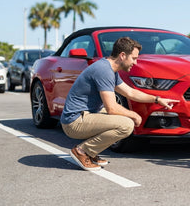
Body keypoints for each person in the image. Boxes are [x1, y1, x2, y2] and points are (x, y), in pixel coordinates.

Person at [61, 37, 179, 171]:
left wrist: (157, 99)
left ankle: (90, 153)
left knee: (122, 119)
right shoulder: (103, 70)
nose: (135, 62)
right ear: (122, 55)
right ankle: (82, 151)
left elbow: (130, 93)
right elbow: (111, 108)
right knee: (126, 124)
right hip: (74, 122)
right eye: (134, 58)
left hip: (85, 115)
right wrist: (133, 115)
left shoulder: (109, 69)